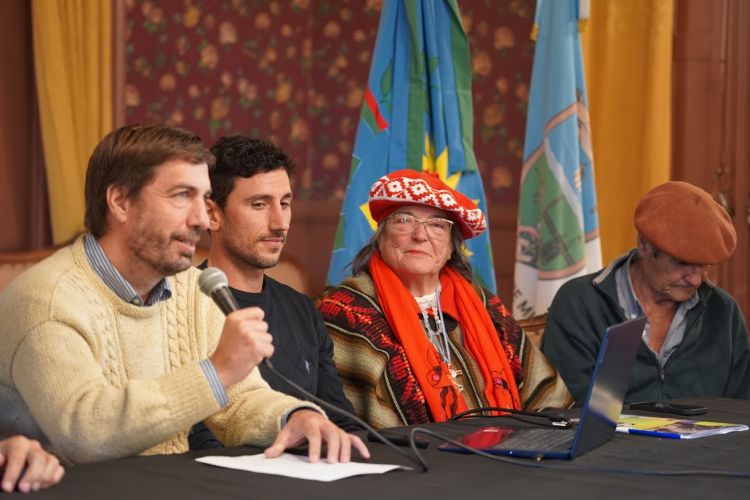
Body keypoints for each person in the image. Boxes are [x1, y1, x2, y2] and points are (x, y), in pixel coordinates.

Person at [0, 123, 368, 465]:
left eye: (203, 198)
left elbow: (241, 401)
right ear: (120, 202)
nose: (201, 219)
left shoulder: (192, 288)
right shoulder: (46, 298)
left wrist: (295, 417)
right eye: (181, 196)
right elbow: (85, 433)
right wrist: (215, 372)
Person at [318, 169, 572, 429]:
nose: (420, 235)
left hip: (508, 449)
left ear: (452, 246)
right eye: (404, 220)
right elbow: (364, 426)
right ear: (380, 237)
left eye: (437, 225)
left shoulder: (483, 303)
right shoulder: (347, 310)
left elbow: (548, 399)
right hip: (415, 452)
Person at [188, 136, 359, 449]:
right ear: (212, 215)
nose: (280, 223)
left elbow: (340, 419)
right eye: (259, 204)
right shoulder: (180, 307)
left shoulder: (303, 310)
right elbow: (195, 435)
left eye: (285, 203)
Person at [542, 181, 750, 404]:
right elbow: (564, 409)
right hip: (605, 429)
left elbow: (742, 407)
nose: (696, 280)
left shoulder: (724, 312)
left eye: (704, 267)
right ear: (644, 244)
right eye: (682, 264)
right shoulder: (579, 304)